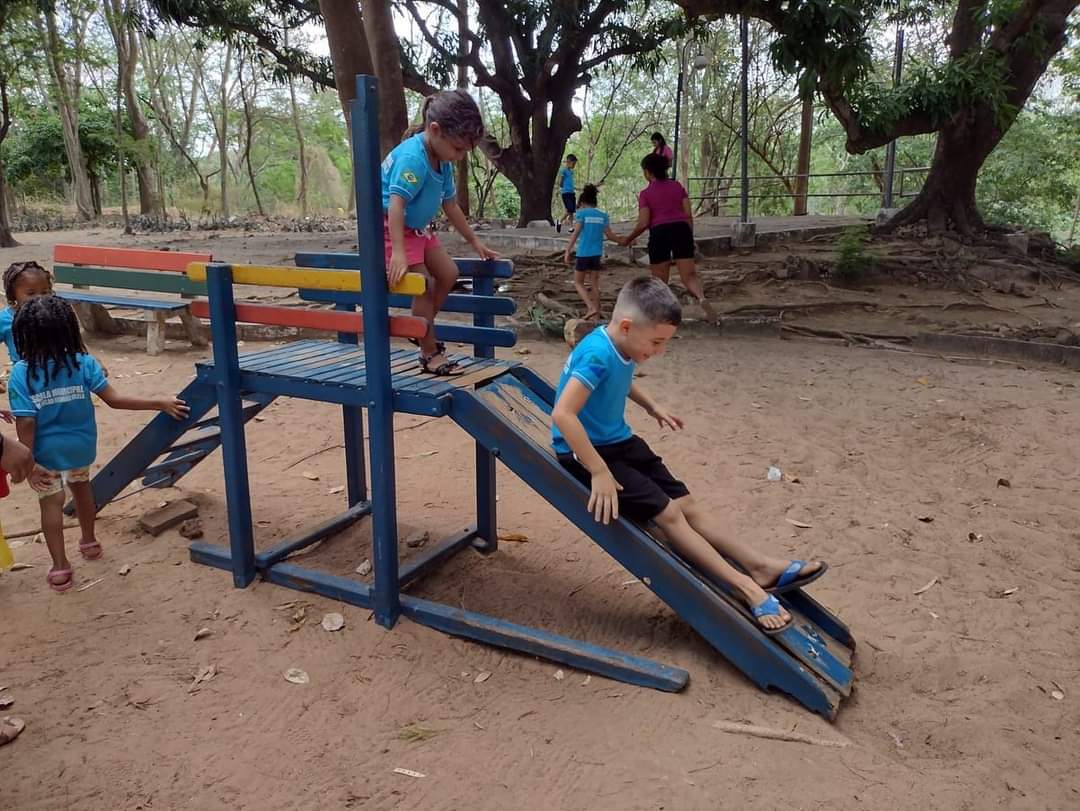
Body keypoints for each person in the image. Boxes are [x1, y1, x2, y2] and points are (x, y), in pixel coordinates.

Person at [550, 277, 827, 633]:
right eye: (656, 342)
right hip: (586, 452)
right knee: (669, 515)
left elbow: (621, 378)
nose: (660, 351)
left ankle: (759, 566)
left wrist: (652, 405)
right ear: (625, 326)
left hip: (617, 441)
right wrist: (599, 471)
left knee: (687, 504)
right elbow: (562, 414)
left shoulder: (620, 345)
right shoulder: (596, 354)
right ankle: (745, 586)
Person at [8, 296, 189, 592]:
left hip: (45, 454)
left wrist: (29, 463)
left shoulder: (21, 373)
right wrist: (159, 401)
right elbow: (115, 401)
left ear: (23, 333)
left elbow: (26, 423)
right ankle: (89, 541)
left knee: (50, 506)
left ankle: (60, 566)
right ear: (69, 330)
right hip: (80, 447)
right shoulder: (85, 363)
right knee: (82, 492)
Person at [383, 89, 499, 376]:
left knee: (448, 273)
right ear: (435, 130)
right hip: (391, 228)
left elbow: (451, 205)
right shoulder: (414, 158)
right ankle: (429, 350)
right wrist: (398, 252)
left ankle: (420, 327)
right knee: (424, 284)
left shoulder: (442, 160)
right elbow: (395, 205)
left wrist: (475, 242)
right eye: (458, 149)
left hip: (418, 229)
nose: (460, 156)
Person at [622, 153, 716, 321]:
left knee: (659, 280)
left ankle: (661, 314)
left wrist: (628, 239)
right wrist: (690, 237)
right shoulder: (677, 187)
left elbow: (643, 223)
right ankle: (701, 298)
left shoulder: (646, 193)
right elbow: (688, 215)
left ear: (648, 172)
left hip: (660, 232)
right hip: (681, 230)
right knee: (689, 276)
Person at [562, 184, 623, 321]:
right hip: (597, 254)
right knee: (594, 283)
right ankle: (597, 312)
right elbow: (610, 235)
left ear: (582, 203)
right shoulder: (603, 215)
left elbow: (576, 233)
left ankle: (591, 307)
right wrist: (624, 241)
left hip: (583, 253)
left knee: (578, 282)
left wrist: (568, 250)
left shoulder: (581, 214)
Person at [555, 154, 578, 234]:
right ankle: (559, 221)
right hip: (566, 193)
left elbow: (570, 182)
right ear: (568, 162)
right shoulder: (563, 170)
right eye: (573, 163)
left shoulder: (571, 172)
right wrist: (563, 186)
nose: (574, 165)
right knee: (570, 209)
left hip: (571, 193)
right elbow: (560, 182)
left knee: (572, 211)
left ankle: (571, 227)